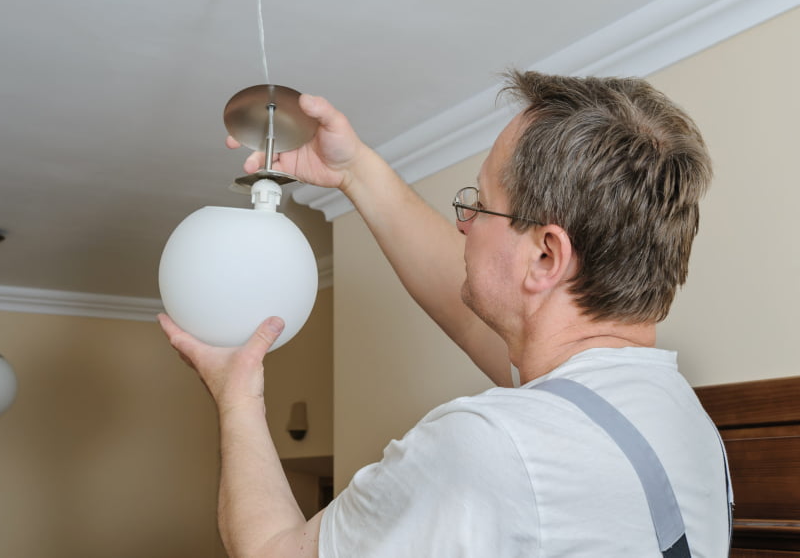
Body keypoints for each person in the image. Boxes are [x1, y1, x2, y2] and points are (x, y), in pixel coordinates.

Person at [158, 69, 731, 557]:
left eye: (479, 206)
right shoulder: (682, 426)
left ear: (546, 255)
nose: (463, 224)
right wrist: (352, 171)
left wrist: (237, 392)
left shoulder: (494, 447)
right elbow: (469, 315)